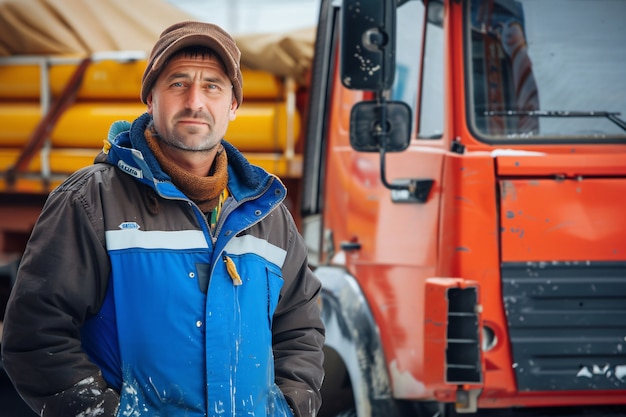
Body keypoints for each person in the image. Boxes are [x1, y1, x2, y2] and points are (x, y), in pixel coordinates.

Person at [1, 21, 325, 417]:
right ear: (150, 98)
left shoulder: (268, 214)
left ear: (233, 105)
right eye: (177, 83)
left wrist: (288, 408)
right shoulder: (91, 200)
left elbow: (301, 330)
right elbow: (36, 337)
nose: (195, 101)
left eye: (213, 86)